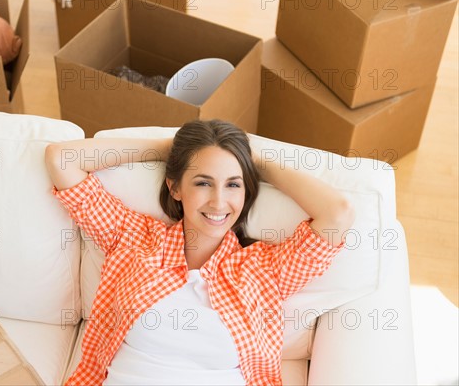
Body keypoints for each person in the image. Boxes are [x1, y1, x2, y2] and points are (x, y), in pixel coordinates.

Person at [45, 119, 355, 386]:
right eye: (203, 182)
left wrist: (252, 160)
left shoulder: (265, 270)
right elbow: (61, 159)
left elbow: (336, 214)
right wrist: (171, 148)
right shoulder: (132, 238)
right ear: (176, 188)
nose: (219, 203)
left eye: (233, 185)